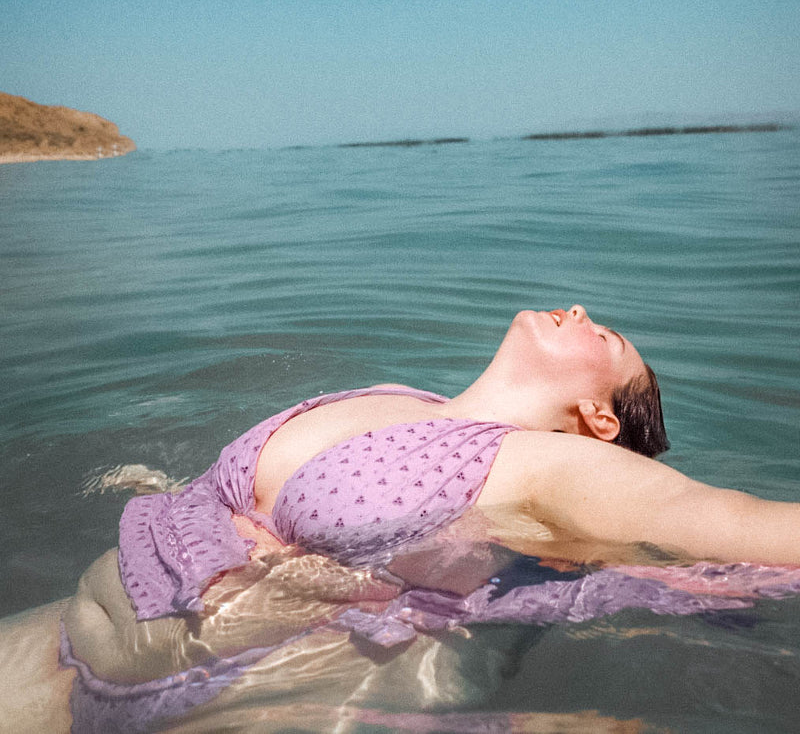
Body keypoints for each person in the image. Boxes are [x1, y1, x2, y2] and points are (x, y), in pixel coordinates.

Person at [6, 306, 800, 734]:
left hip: (223, 695)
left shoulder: (569, 468)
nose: (584, 309)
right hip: (61, 643)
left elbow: (739, 521)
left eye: (609, 338)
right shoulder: (406, 398)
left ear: (597, 415)